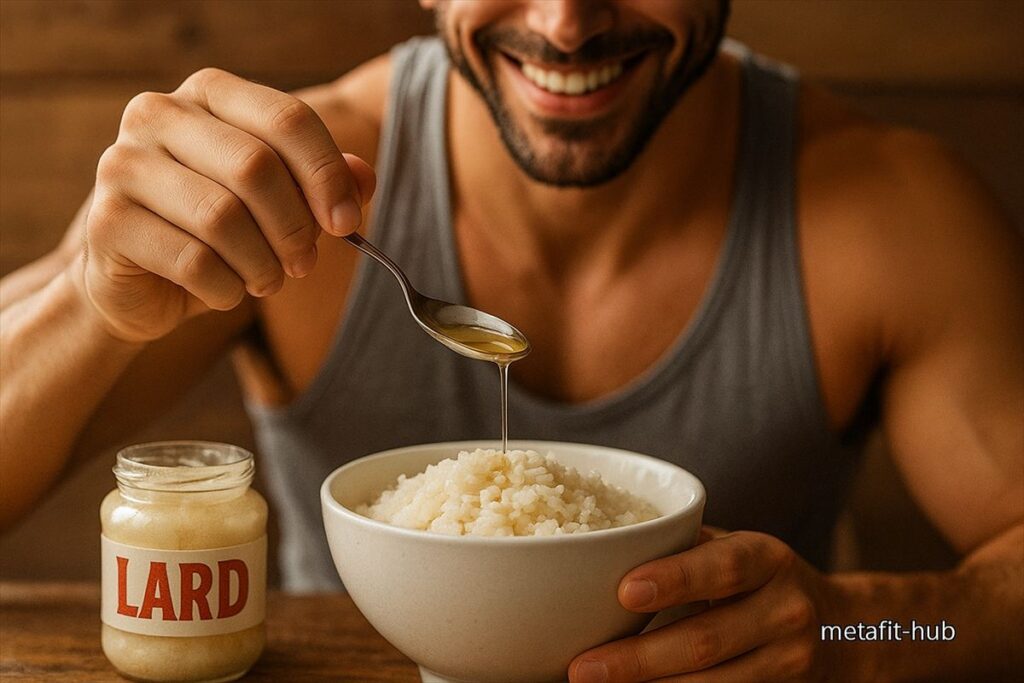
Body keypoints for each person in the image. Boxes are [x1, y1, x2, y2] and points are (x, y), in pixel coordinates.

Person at [1, 0, 1021, 680]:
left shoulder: (891, 212)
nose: (565, 24)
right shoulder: (274, 198)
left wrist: (857, 630)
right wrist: (89, 305)